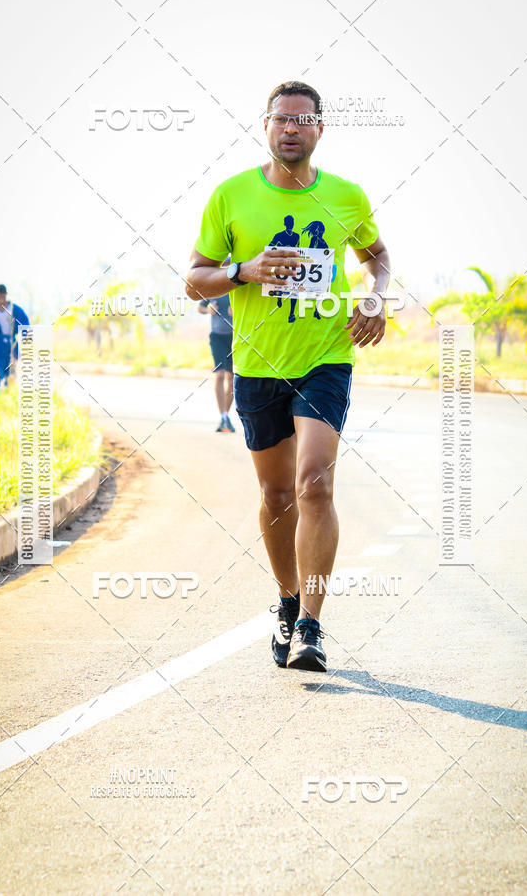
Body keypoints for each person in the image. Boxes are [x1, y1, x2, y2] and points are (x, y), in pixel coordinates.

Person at [185, 81, 390, 672]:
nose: (291, 128)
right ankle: (287, 599)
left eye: (302, 120)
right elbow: (194, 279)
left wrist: (377, 295)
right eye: (281, 119)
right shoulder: (231, 195)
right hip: (257, 365)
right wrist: (242, 271)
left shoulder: (346, 195)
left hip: (326, 356)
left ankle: (311, 627)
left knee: (314, 485)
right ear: (266, 126)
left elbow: (377, 256)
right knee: (276, 495)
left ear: (320, 128)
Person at [197, 286, 235, 432]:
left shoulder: (236, 288)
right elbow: (200, 308)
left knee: (231, 379)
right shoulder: (213, 288)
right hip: (217, 337)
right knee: (220, 375)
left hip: (234, 337)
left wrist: (237, 312)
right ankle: (223, 416)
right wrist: (208, 310)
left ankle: (225, 417)